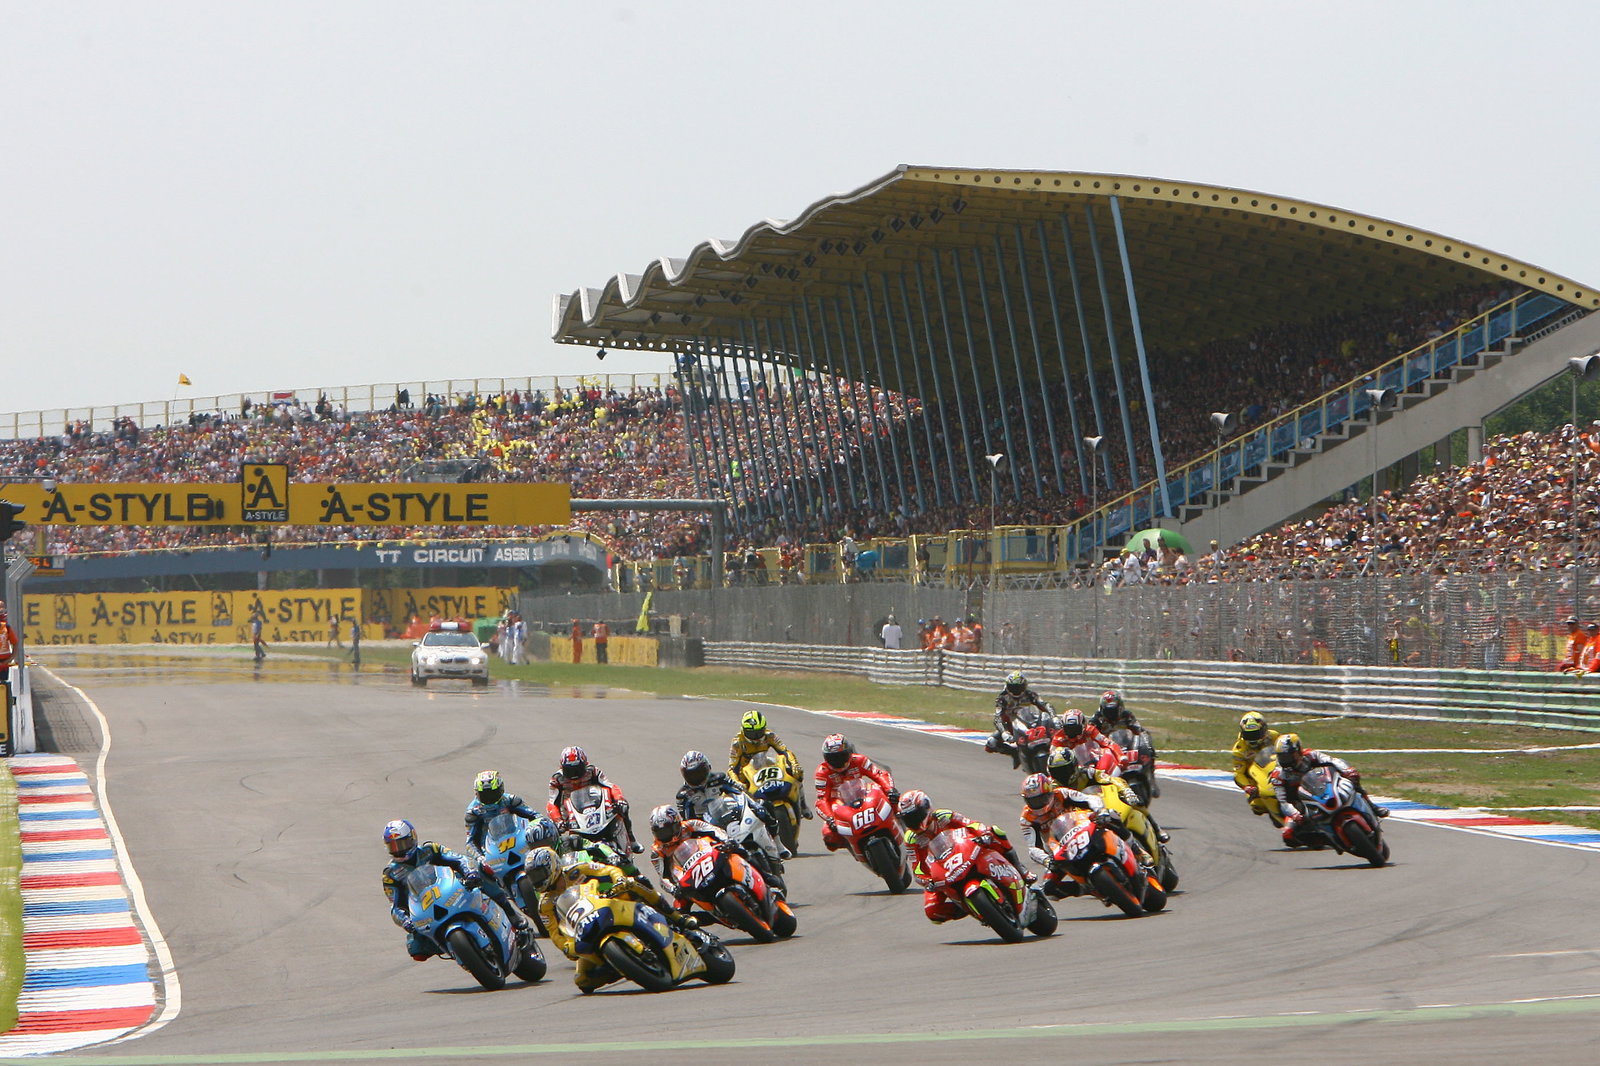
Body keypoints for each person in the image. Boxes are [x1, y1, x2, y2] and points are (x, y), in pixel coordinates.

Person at [523, 846, 691, 993]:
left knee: (635, 883)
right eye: (533, 877)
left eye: (539, 874)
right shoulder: (544, 904)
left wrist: (619, 879)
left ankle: (675, 916)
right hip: (585, 928)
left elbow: (606, 870)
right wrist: (566, 946)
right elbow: (553, 932)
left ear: (552, 866)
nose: (537, 880)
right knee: (583, 981)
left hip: (609, 903)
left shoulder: (577, 870)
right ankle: (616, 965)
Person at [380, 819, 530, 962]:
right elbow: (395, 907)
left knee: (480, 871)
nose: (399, 850)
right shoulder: (390, 874)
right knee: (417, 950)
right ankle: (457, 951)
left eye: (402, 844)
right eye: (393, 847)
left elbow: (459, 859)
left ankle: (511, 914)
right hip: (426, 908)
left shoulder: (430, 850)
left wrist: (470, 872)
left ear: (413, 838)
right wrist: (405, 921)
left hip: (451, 890)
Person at [898, 789, 1030, 924]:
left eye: (915, 815)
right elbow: (917, 868)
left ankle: (1021, 870)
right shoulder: (911, 838)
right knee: (932, 911)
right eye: (907, 818)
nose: (912, 821)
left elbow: (970, 823)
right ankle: (973, 908)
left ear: (926, 808)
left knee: (995, 831)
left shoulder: (943, 816)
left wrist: (983, 833)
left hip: (965, 851)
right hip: (942, 870)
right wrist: (927, 881)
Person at [1271, 734, 1389, 843]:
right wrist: (1294, 814)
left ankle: (1373, 807)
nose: (1285, 760)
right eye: (1282, 756)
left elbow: (1333, 761)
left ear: (1298, 751)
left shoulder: (1311, 755)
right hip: (1301, 804)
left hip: (1324, 787)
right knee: (1288, 835)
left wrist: (1347, 770)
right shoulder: (1278, 775)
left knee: (1353, 779)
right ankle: (1326, 839)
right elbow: (1283, 802)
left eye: (1288, 755)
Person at [546, 745, 641, 853]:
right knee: (556, 833)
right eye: (570, 771)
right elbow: (551, 803)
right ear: (562, 768)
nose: (574, 776)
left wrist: (619, 799)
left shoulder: (592, 771)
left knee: (623, 808)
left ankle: (631, 839)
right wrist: (558, 820)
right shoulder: (557, 779)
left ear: (585, 764)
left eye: (577, 769)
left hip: (597, 806)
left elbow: (610, 786)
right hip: (573, 813)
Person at [814, 734, 896, 852]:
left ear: (849, 753)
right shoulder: (822, 772)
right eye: (833, 758)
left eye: (841, 756)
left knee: (895, 801)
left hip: (863, 794)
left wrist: (890, 790)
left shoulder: (859, 760)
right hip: (840, 805)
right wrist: (830, 818)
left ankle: (900, 827)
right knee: (829, 836)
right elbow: (822, 799)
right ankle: (853, 846)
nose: (838, 761)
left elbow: (879, 774)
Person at [727, 709, 810, 818]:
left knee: (796, 773)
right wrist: (737, 782)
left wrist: (794, 764)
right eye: (751, 733)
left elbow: (785, 751)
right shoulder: (737, 743)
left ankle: (803, 806)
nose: (756, 736)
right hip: (746, 774)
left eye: (759, 732)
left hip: (765, 766)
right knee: (733, 795)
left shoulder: (769, 735)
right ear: (743, 730)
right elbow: (732, 768)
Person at [464, 770, 557, 866]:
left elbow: (535, 816)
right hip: (491, 852)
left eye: (492, 793)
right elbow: (470, 842)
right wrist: (480, 858)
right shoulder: (473, 812)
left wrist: (544, 826)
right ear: (476, 794)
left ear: (501, 790)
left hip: (517, 841)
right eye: (484, 795)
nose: (489, 798)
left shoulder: (511, 800)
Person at [647, 804, 730, 896]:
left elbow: (715, 830)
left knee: (736, 851)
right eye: (662, 833)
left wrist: (727, 840)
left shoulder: (690, 825)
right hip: (688, 876)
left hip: (709, 858)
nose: (667, 836)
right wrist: (673, 889)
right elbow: (663, 878)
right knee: (679, 908)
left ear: (678, 822)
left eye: (669, 830)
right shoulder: (657, 851)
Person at [988, 671, 1056, 767]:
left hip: (1032, 720)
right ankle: (1014, 753)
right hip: (1012, 725)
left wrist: (1054, 717)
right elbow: (997, 717)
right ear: (1008, 686)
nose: (1016, 690)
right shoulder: (1002, 698)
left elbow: (1045, 704)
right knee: (991, 743)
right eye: (1014, 687)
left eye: (1019, 687)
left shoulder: (1030, 694)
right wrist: (1004, 732)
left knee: (1055, 729)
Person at [1230, 711, 1281, 808]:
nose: (1252, 738)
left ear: (1264, 730)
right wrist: (1247, 787)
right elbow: (1238, 773)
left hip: (1278, 770)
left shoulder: (1274, 736)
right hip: (1256, 779)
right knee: (1257, 806)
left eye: (1256, 733)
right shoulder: (1239, 750)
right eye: (1249, 735)